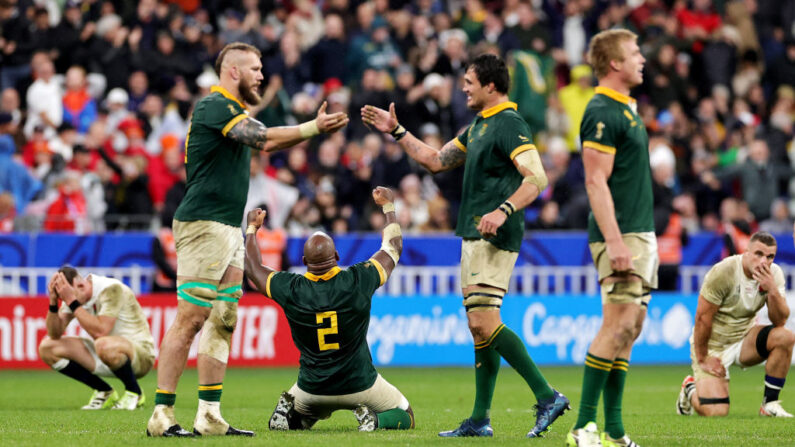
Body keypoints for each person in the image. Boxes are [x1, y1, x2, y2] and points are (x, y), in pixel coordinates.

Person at [146, 42, 348, 438]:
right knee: (190, 317)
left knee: (223, 318)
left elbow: (262, 137)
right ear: (233, 72)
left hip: (226, 226)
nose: (261, 74)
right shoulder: (215, 105)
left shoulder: (231, 109)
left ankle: (208, 414)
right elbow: (265, 140)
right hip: (203, 223)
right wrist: (312, 128)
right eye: (255, 68)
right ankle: (161, 414)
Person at [361, 53, 568, 438]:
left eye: (469, 82)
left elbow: (537, 177)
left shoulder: (508, 123)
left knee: (482, 320)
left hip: (493, 234)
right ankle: (479, 419)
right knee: (479, 328)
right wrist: (397, 130)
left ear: (491, 86)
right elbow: (437, 161)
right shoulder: (478, 127)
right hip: (474, 234)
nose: (463, 88)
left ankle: (547, 396)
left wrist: (503, 211)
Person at [244, 187, 415, 432]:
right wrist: (388, 207)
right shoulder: (358, 279)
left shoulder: (292, 288)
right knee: (405, 414)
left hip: (312, 389)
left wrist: (251, 228)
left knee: (306, 413)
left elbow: (253, 269)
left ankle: (292, 415)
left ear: (304, 263)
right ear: (336, 255)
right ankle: (373, 420)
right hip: (360, 384)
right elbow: (393, 248)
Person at [567, 29, 655, 447]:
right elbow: (594, 181)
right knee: (617, 323)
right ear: (614, 62)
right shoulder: (601, 109)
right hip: (621, 235)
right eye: (634, 52)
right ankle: (583, 426)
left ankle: (615, 430)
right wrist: (615, 240)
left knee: (631, 326)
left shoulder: (628, 108)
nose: (642, 58)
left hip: (641, 231)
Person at [676, 231, 794, 418]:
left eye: (770, 256)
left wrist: (771, 289)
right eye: (759, 254)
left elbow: (779, 321)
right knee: (716, 412)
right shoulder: (725, 271)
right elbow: (702, 318)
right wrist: (703, 357)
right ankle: (690, 389)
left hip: (744, 339)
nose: (764, 261)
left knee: (785, 336)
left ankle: (769, 404)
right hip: (713, 345)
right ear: (746, 252)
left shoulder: (774, 274)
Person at [38, 266, 155, 410]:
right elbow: (54, 334)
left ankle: (134, 392)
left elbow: (101, 331)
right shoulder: (76, 296)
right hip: (106, 351)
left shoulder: (111, 289)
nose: (67, 301)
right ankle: (104, 391)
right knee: (47, 347)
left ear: (80, 285)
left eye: (68, 297)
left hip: (140, 355)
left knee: (103, 343)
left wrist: (72, 302)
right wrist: (53, 303)